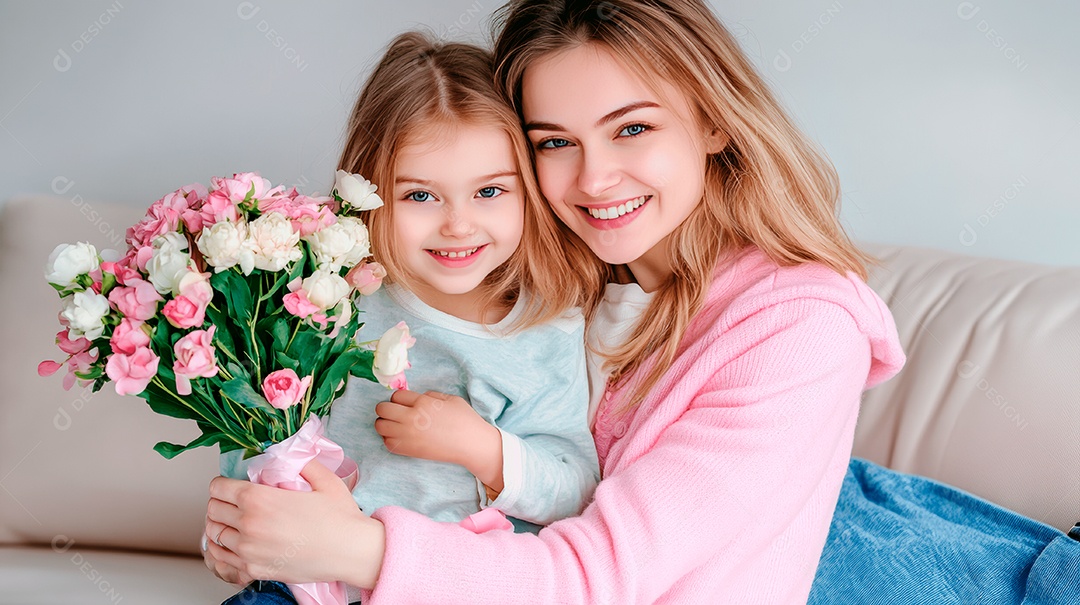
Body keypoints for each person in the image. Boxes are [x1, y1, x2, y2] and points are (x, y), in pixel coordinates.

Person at [205, 1, 907, 602]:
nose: (595, 178)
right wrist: (259, 527)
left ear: (714, 120)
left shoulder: (802, 328)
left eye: (632, 128)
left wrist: (350, 549)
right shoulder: (562, 282)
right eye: (556, 142)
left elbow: (593, 579)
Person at [213, 30, 600, 604]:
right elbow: (259, 434)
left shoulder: (541, 329)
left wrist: (481, 447)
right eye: (421, 196)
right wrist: (234, 530)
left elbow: (573, 485)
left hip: (449, 583)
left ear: (530, 195)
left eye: (490, 191)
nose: (458, 224)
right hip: (305, 584)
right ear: (370, 195)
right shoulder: (329, 303)